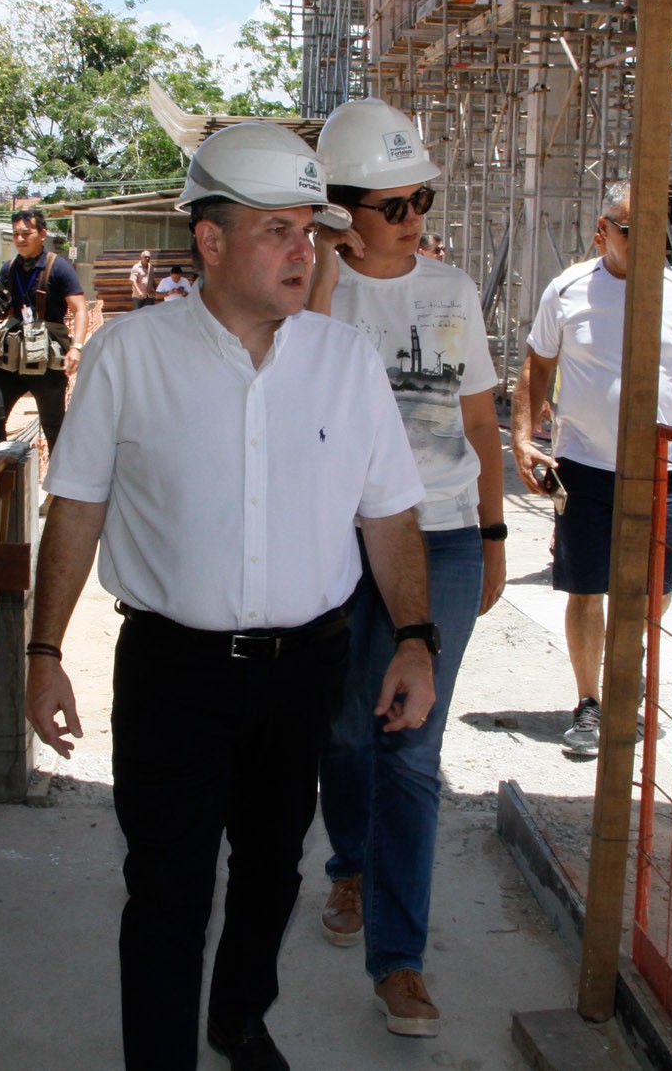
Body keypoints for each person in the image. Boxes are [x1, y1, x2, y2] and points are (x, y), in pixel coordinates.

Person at [24, 121, 439, 1071]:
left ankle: (239, 1016)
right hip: (174, 669)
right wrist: (44, 653)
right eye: (280, 231)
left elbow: (389, 517)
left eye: (313, 230)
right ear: (210, 242)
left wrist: (415, 635)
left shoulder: (345, 361)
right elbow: (77, 509)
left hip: (306, 670)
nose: (307, 252)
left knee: (270, 870)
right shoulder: (131, 357)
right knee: (166, 887)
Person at [306, 97, 505, 1038]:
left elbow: (479, 423)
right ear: (344, 210)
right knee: (346, 728)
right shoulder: (319, 289)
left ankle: (401, 961)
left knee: (413, 750)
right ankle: (349, 863)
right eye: (392, 204)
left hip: (446, 536)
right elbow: (294, 371)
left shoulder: (454, 291)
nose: (415, 219)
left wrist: (495, 533)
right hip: (344, 540)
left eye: (421, 197)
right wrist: (319, 262)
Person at [509, 180, 672, 759]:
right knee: (586, 586)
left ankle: (632, 665)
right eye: (632, 229)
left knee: (657, 589)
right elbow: (536, 367)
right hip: (585, 467)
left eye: (656, 230)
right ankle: (590, 702)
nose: (647, 241)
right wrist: (524, 436)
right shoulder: (568, 290)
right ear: (604, 232)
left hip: (662, 472)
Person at [0, 207, 88, 451]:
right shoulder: (7, 269)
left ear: (42, 234)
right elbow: (9, 311)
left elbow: (80, 309)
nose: (20, 239)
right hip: (12, 359)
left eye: (26, 233)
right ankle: (3, 476)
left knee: (53, 427)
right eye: (16, 234)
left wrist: (77, 348)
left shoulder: (59, 268)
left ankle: (60, 486)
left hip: (46, 360)